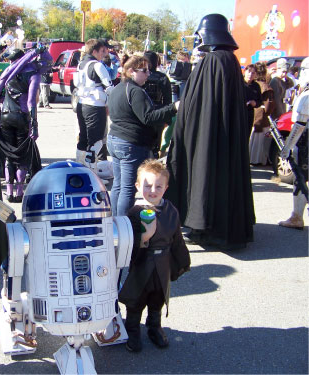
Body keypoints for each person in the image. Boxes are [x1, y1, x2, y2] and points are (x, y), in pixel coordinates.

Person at [166, 13, 255, 250]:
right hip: (225, 135)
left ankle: (207, 227)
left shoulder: (212, 61)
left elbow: (195, 103)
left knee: (206, 175)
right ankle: (224, 228)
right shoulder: (231, 61)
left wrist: (185, 127)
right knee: (223, 177)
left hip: (208, 134)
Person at [118, 159, 190, 353]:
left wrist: (182, 261)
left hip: (163, 263)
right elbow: (129, 245)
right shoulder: (134, 213)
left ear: (166, 188)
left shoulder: (171, 211)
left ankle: (154, 327)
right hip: (143, 263)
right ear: (138, 186)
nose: (153, 190)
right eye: (147, 185)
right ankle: (132, 330)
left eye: (158, 186)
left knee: (157, 298)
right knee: (137, 300)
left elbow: (177, 239)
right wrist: (145, 237)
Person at [107, 55, 177, 216]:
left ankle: (115, 223)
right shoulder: (135, 91)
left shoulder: (118, 88)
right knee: (127, 188)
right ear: (131, 71)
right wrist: (172, 108)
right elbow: (148, 117)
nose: (148, 74)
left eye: (148, 70)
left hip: (116, 140)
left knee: (119, 185)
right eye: (144, 70)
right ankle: (123, 225)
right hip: (129, 143)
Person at [0, 47, 52, 203]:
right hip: (22, 117)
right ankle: (19, 193)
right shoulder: (33, 74)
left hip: (5, 116)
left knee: (9, 156)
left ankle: (9, 192)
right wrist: (35, 124)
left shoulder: (9, 72)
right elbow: (31, 102)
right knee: (22, 157)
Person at [278, 56, 309, 229]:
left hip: (305, 145)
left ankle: (297, 216)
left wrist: (287, 147)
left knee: (300, 180)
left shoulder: (306, 97)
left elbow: (299, 126)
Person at [75, 39, 113, 174]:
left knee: (84, 138)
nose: (104, 54)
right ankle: (92, 174)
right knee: (96, 141)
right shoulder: (97, 66)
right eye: (102, 51)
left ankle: (80, 170)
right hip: (95, 107)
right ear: (94, 51)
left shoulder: (81, 64)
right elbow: (109, 87)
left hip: (82, 105)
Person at [142, 51, 172, 157]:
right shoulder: (162, 77)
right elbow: (168, 100)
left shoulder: (139, 76)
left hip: (143, 112)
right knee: (155, 145)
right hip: (157, 112)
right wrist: (167, 118)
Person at [249, 62, 274, 165]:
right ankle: (257, 160)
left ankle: (251, 159)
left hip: (252, 115)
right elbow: (269, 106)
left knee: (252, 140)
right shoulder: (266, 87)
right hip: (262, 118)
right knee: (260, 142)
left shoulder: (253, 84)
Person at [243, 64, 262, 137]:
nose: (250, 74)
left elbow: (260, 101)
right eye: (249, 72)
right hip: (238, 113)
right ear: (245, 72)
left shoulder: (256, 86)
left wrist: (255, 103)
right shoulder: (238, 83)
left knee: (246, 135)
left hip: (249, 113)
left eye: (253, 73)